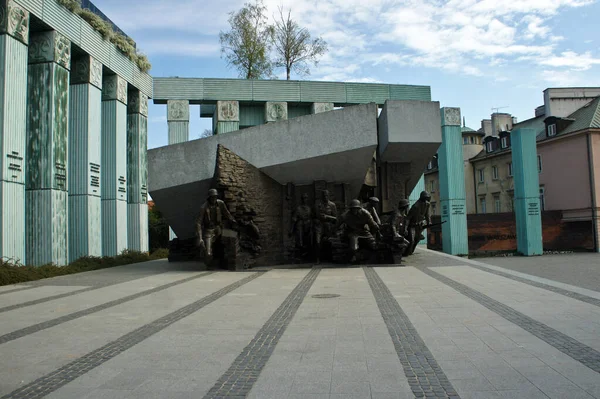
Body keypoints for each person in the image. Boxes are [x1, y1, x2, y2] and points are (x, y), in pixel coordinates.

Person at [195, 188, 236, 262]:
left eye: (215, 196)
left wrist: (233, 222)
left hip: (219, 228)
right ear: (209, 197)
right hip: (209, 230)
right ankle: (208, 261)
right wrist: (200, 238)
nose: (214, 198)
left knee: (232, 238)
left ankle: (225, 260)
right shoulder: (203, 207)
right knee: (208, 253)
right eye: (212, 197)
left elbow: (227, 214)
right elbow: (198, 223)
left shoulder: (220, 203)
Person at [313, 190, 338, 262]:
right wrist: (316, 220)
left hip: (328, 225)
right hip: (319, 225)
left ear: (329, 196)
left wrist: (327, 217)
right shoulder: (318, 205)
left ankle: (330, 257)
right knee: (317, 240)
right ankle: (317, 258)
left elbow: (336, 218)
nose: (325, 197)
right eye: (324, 195)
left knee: (329, 240)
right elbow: (314, 216)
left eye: (326, 195)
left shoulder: (332, 205)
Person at [405, 191, 431, 255]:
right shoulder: (415, 206)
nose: (426, 199)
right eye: (425, 198)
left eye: (427, 198)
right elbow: (408, 218)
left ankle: (411, 252)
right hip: (412, 225)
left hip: (419, 225)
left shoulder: (427, 204)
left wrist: (429, 222)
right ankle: (406, 253)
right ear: (422, 197)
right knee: (411, 240)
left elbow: (427, 214)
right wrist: (405, 228)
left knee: (417, 239)